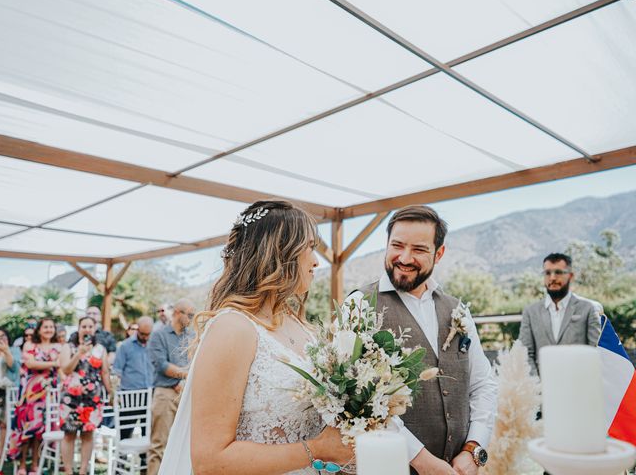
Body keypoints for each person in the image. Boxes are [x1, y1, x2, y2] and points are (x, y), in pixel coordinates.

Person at [159, 201, 353, 475]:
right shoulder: (233, 328)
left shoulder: (304, 328)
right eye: (310, 247)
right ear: (279, 251)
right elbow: (210, 461)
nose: (316, 260)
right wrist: (317, 450)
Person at [348, 205, 497, 475]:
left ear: (439, 253)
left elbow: (483, 384)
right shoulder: (359, 304)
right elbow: (355, 398)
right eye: (397, 245)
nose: (405, 257)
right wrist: (422, 461)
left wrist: (473, 450)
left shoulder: (458, 310)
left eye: (418, 249)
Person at [519, 253, 602, 376]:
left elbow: (596, 351)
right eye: (547, 273)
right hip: (542, 389)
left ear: (571, 276)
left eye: (558, 272)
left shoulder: (588, 308)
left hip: (579, 385)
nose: (552, 278)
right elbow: (525, 353)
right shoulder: (531, 312)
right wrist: (537, 386)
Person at [59, 315, 112, 475]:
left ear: (94, 329)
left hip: (92, 399)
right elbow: (66, 369)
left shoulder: (100, 349)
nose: (87, 329)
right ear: (79, 328)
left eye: (90, 326)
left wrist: (111, 393)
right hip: (71, 399)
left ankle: (83, 470)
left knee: (88, 434)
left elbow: (104, 373)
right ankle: (68, 470)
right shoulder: (69, 347)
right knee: (69, 434)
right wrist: (79, 353)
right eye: (84, 326)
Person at [147, 299, 194, 475]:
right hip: (165, 394)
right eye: (189, 315)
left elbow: (194, 362)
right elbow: (162, 366)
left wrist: (184, 381)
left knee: (183, 445)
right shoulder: (158, 335)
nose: (191, 318)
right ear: (176, 313)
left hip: (185, 394)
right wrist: (186, 376)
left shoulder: (191, 336)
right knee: (159, 445)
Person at [9, 317, 61, 475]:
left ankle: (35, 465)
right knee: (27, 430)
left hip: (48, 395)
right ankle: (23, 464)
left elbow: (62, 366)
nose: (48, 330)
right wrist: (53, 364)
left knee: (40, 431)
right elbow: (31, 364)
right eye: (45, 327)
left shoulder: (58, 346)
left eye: (51, 327)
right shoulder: (30, 345)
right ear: (39, 329)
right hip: (30, 395)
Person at [114, 316, 153, 443]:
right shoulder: (125, 346)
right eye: (142, 334)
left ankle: (143, 461)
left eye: (148, 334)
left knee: (148, 430)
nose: (145, 337)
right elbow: (117, 371)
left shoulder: (154, 345)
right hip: (130, 394)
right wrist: (117, 393)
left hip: (150, 393)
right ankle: (121, 459)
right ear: (137, 329)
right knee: (126, 429)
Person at [0, 327, 21, 469]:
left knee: (3, 425)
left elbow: (14, 369)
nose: (0, 338)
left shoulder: (13, 350)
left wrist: (5, 350)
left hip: (5, 392)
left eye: (3, 336)